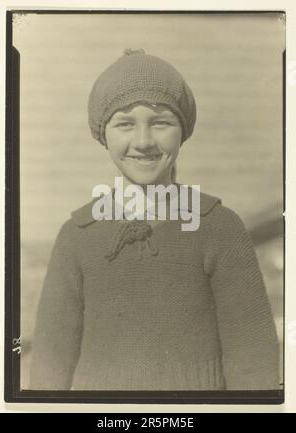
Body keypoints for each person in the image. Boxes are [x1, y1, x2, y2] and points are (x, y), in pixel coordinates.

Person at [29, 49, 280, 391]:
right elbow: (47, 374)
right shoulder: (77, 236)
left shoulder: (220, 228)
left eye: (161, 122)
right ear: (103, 134)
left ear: (183, 131)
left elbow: (256, 368)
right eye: (125, 124)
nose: (144, 142)